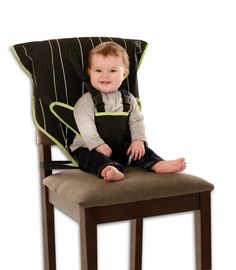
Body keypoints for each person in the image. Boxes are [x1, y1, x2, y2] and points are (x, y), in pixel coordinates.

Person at [70, 41, 186, 181]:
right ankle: (108, 169)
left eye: (112, 70)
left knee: (141, 150)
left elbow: (137, 121)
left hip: (121, 148)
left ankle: (156, 163)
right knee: (89, 158)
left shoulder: (129, 99)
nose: (104, 76)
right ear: (89, 73)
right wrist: (97, 144)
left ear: (124, 74)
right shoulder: (86, 101)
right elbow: (86, 127)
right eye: (98, 70)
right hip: (90, 148)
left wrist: (138, 140)